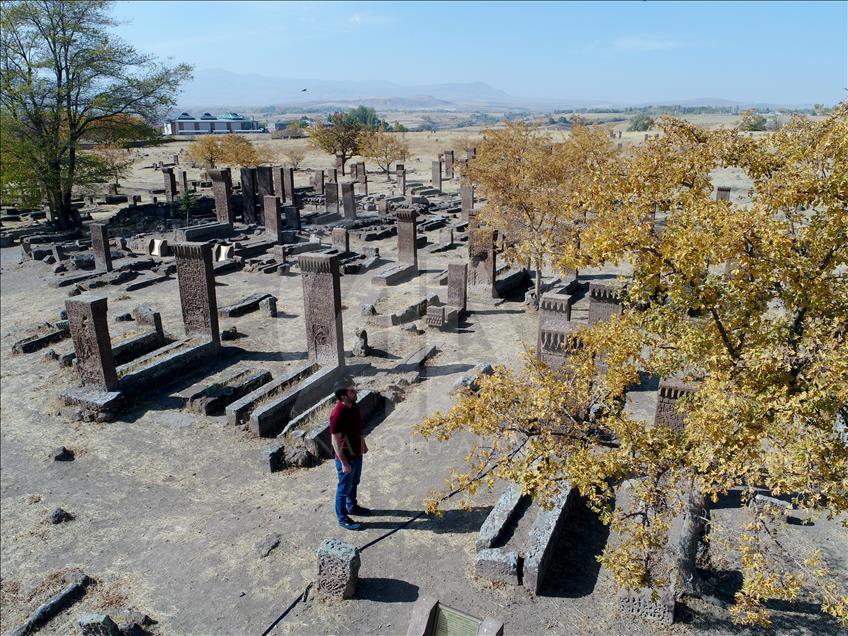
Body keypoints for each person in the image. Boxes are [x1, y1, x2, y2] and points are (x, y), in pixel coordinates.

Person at [330, 383, 370, 530]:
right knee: (343, 488)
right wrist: (344, 463)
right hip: (346, 458)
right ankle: (342, 518)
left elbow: (358, 428)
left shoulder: (354, 406)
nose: (355, 391)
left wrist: (363, 444)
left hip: (357, 453)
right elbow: (334, 440)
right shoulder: (337, 413)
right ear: (343, 396)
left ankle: (352, 506)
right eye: (352, 391)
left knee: (354, 482)